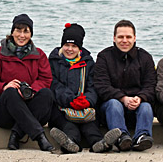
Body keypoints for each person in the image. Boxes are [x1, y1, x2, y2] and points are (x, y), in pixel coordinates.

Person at [0, 14, 54, 151]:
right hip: (6, 112)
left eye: (26, 31)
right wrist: (4, 86)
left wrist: (31, 90)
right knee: (11, 91)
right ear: (12, 32)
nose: (22, 35)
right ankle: (40, 136)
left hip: (32, 108)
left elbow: (46, 80)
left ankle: (16, 134)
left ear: (31, 34)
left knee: (46, 93)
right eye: (18, 30)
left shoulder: (39, 55)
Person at [48, 23, 122, 153]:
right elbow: (54, 84)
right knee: (70, 128)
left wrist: (88, 100)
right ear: (62, 45)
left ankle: (101, 144)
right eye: (66, 45)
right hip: (62, 108)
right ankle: (69, 144)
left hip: (85, 108)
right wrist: (71, 100)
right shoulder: (53, 62)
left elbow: (93, 86)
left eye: (74, 46)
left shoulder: (88, 63)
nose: (69, 49)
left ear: (79, 48)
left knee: (91, 128)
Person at [94, 20, 156, 151]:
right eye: (121, 37)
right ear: (114, 38)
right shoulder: (104, 57)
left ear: (134, 38)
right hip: (111, 109)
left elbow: (150, 85)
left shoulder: (145, 57)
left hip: (137, 106)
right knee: (113, 104)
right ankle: (121, 137)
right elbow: (101, 86)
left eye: (128, 37)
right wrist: (123, 98)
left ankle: (142, 137)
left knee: (146, 106)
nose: (124, 40)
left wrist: (139, 98)